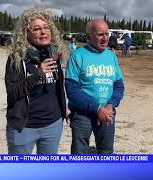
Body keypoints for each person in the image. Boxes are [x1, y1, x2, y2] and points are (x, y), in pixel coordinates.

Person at [4, 7, 67, 154]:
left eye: (46, 28)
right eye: (37, 29)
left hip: (53, 125)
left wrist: (64, 112)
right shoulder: (17, 58)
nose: (43, 32)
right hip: (25, 127)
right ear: (26, 33)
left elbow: (59, 88)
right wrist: (37, 74)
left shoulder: (54, 54)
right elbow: (13, 93)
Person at [65, 19, 125, 154]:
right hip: (82, 115)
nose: (105, 39)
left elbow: (119, 86)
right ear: (88, 37)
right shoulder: (77, 56)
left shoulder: (111, 56)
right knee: (79, 154)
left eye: (107, 34)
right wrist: (97, 109)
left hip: (108, 113)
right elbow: (72, 90)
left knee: (106, 152)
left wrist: (111, 105)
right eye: (100, 35)